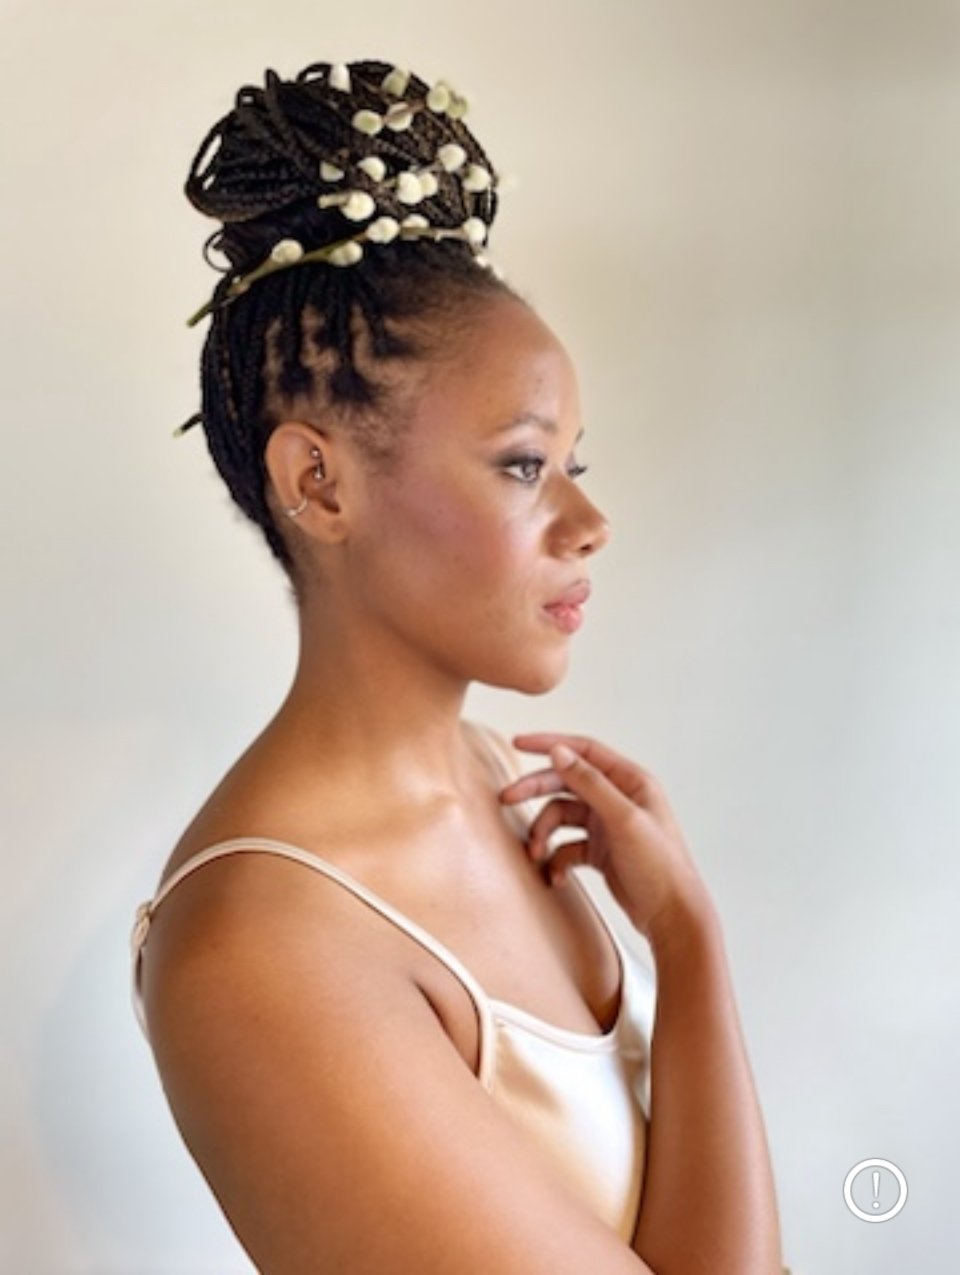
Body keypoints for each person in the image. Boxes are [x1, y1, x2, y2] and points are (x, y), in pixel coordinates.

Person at [130, 59, 785, 1273]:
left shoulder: (508, 789)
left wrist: (691, 944)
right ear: (318, 483)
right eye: (525, 465)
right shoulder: (261, 947)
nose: (589, 523)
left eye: (577, 463)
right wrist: (687, 963)